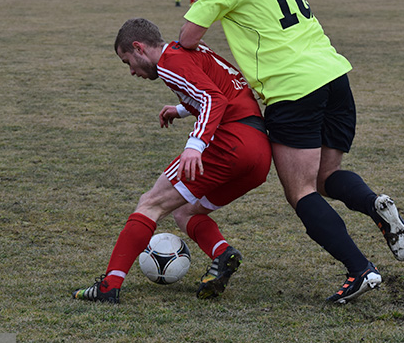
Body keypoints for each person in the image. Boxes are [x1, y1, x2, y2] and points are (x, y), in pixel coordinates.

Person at [178, 0, 404, 305]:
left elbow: (187, 37)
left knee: (300, 191)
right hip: (334, 74)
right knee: (325, 176)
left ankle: (361, 271)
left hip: (292, 88)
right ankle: (374, 203)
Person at [72, 18, 271, 304]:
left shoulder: (168, 62)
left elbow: (214, 99)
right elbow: (220, 88)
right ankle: (222, 254)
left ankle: (109, 286)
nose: (131, 71)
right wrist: (180, 109)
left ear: (139, 48)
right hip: (258, 153)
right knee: (186, 212)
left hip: (230, 143)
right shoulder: (190, 51)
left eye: (128, 61)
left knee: (150, 203)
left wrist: (195, 145)